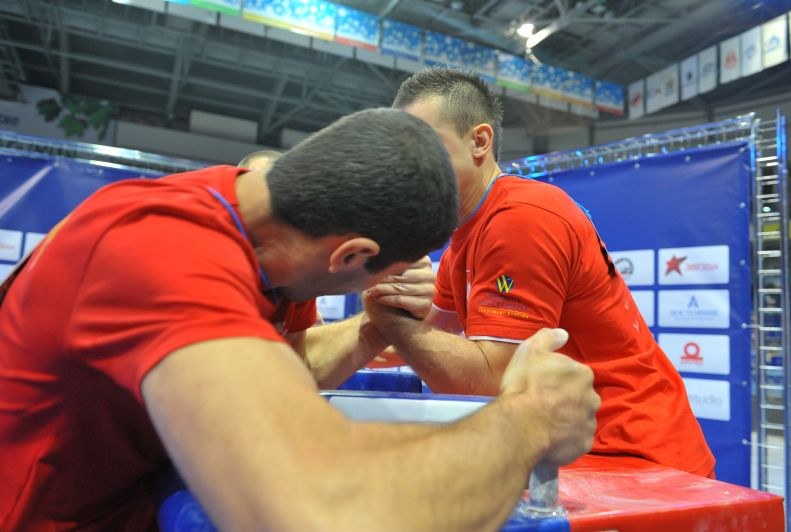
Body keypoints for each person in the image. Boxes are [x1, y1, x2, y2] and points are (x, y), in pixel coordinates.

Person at [0, 108, 600, 530]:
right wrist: (530, 422)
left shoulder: (257, 231)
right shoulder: (158, 253)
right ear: (352, 256)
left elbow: (273, 366)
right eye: (375, 276)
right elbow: (322, 511)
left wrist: (372, 328)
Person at [365, 67, 715, 478]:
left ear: (479, 141)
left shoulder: (521, 217)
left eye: (423, 147)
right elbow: (428, 341)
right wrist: (348, 325)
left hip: (631, 452)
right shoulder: (465, 233)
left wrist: (388, 319)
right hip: (588, 449)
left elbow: (490, 381)